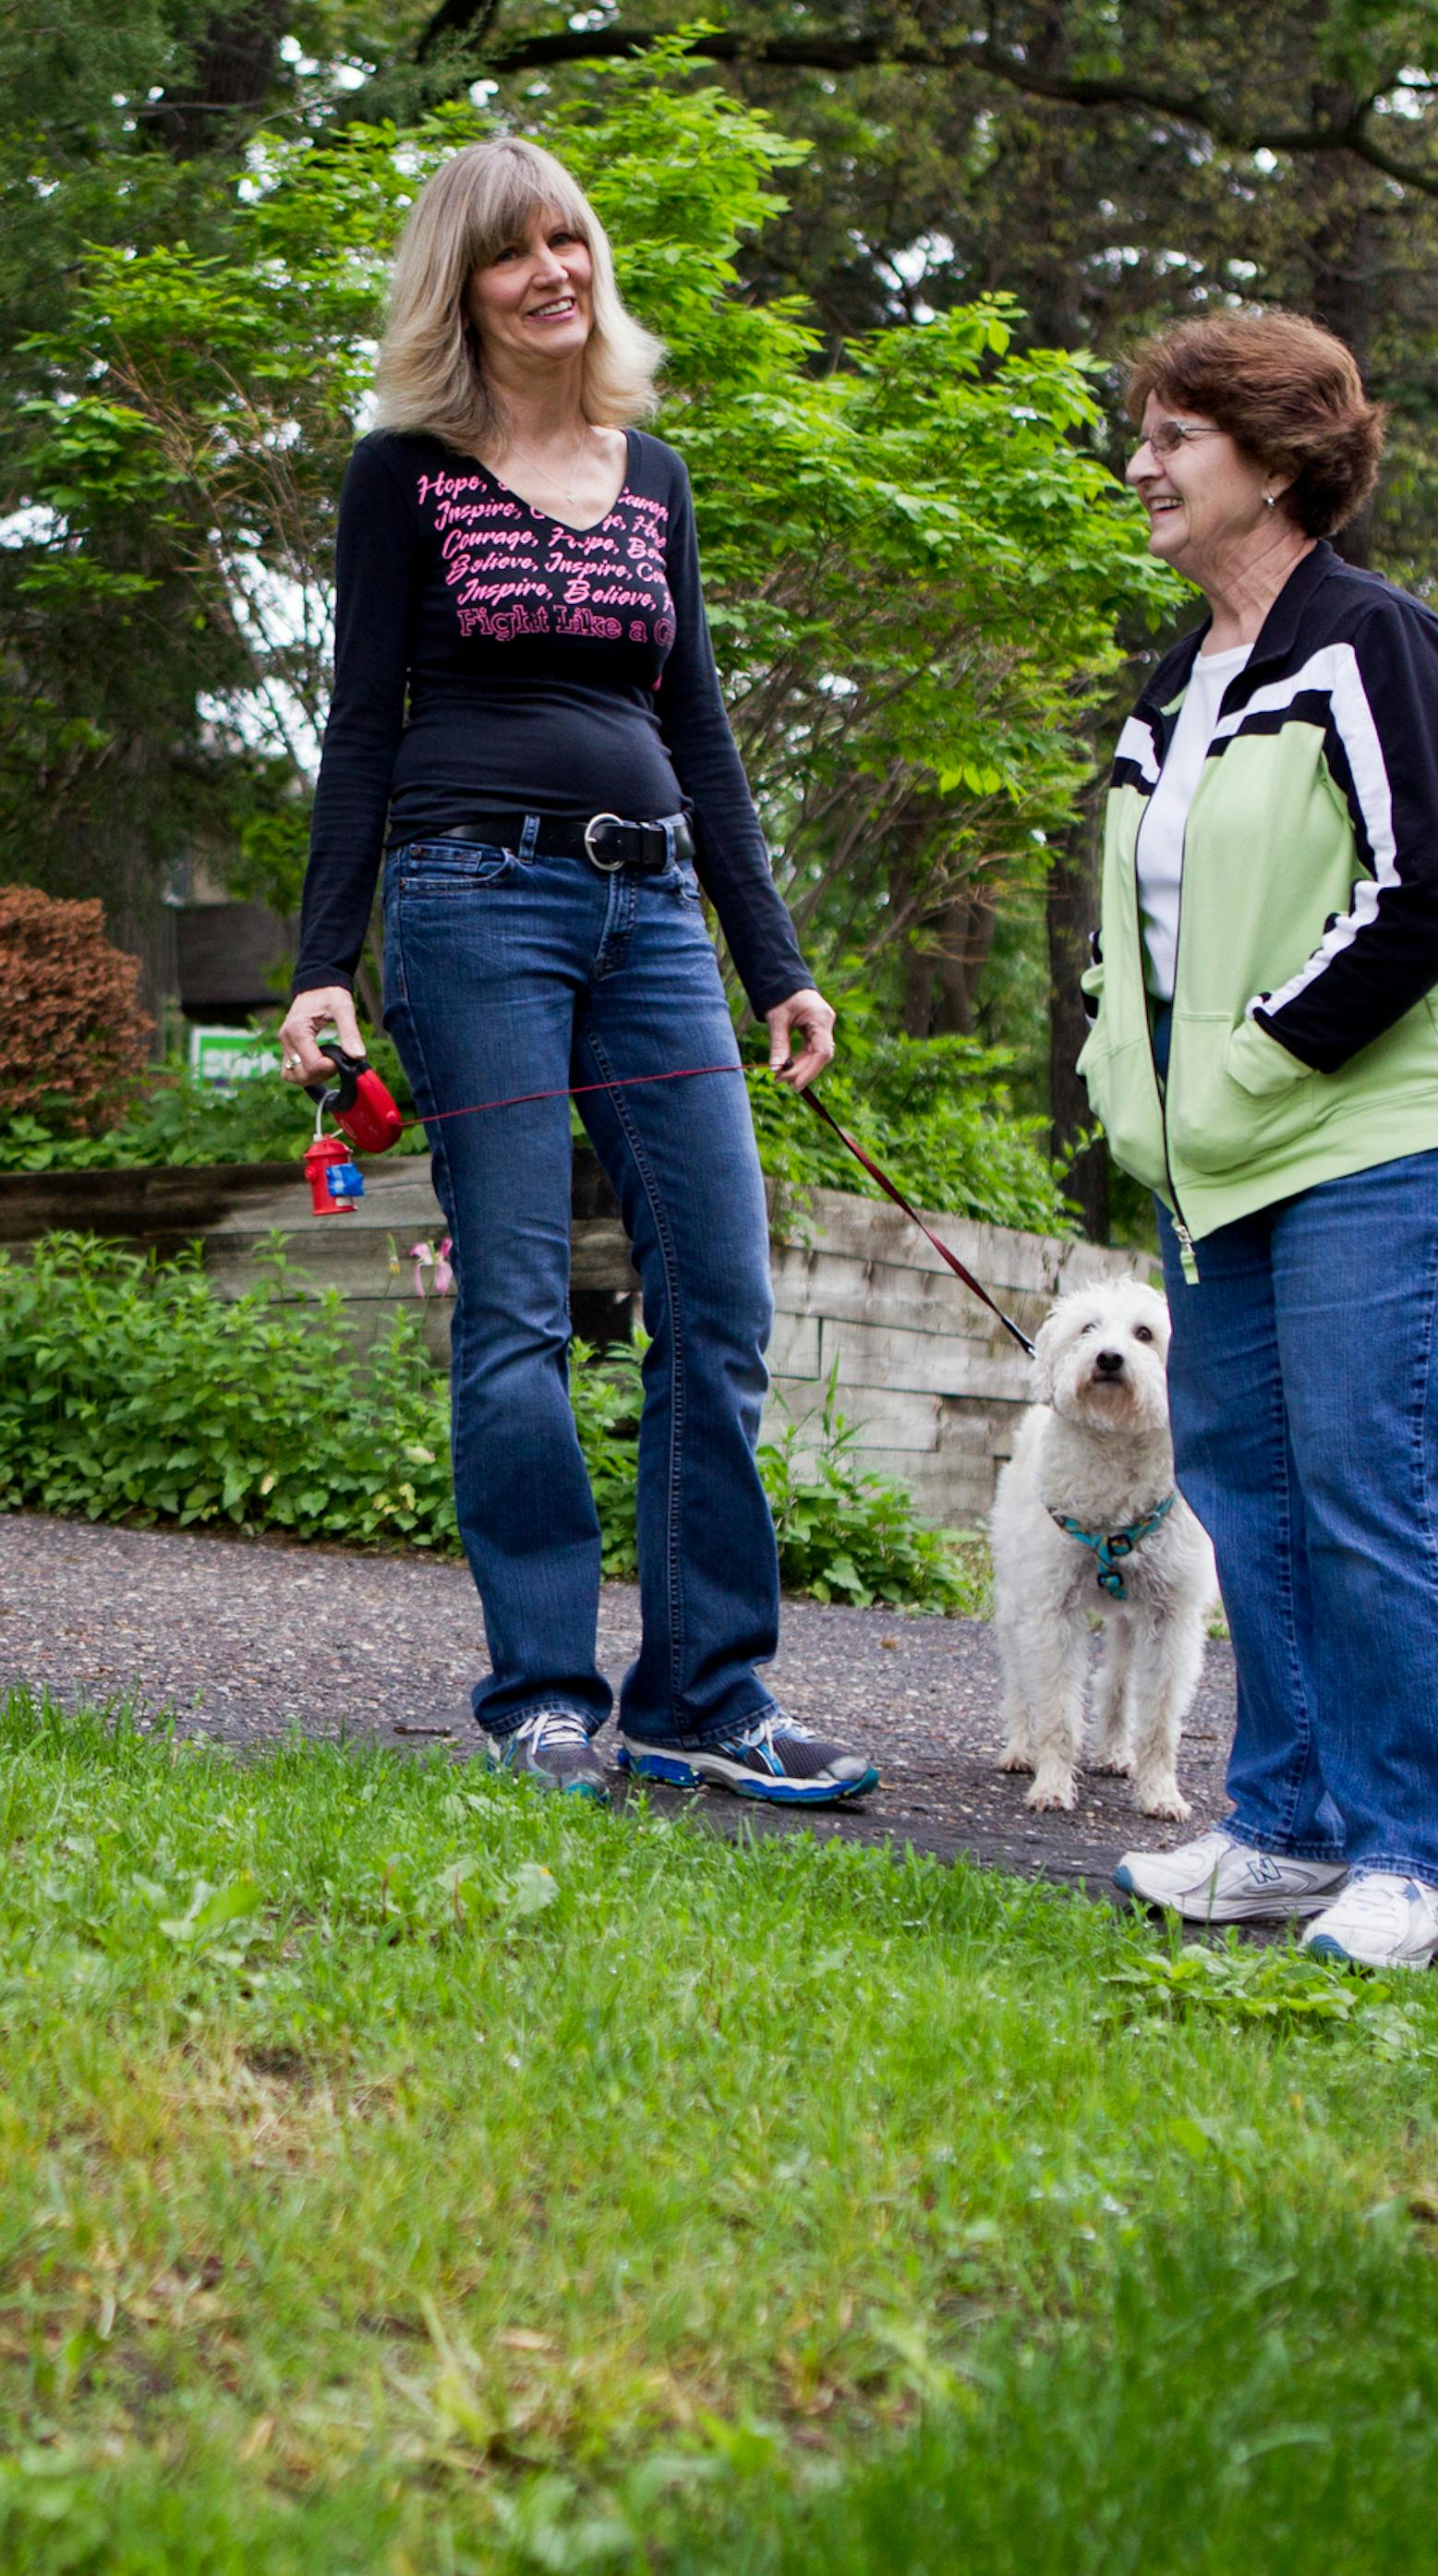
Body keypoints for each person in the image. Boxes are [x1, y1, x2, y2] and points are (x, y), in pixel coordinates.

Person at [281, 137, 876, 1809]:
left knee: (723, 1300)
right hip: (474, 903)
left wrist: (776, 962)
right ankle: (542, 1694)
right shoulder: (405, 472)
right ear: (459, 286)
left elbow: (698, 724)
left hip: (658, 912)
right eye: (514, 251)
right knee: (522, 1309)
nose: (556, 269)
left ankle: (704, 1691)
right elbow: (359, 724)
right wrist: (324, 961)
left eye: (572, 240)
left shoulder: (656, 474)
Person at [1087, 312, 1438, 1969]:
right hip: (1228, 1160)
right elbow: (1133, 932)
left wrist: (1260, 1059)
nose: (1143, 461)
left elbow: (1428, 892)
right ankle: (1285, 1831)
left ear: (1274, 462)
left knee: (1369, 1487)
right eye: (1148, 431)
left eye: (1175, 434)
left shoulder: (1376, 645)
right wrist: (1127, 1080)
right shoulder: (1177, 684)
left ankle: (1419, 1854)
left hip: (1385, 1138)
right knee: (1250, 1494)